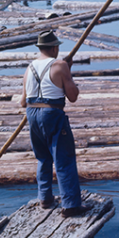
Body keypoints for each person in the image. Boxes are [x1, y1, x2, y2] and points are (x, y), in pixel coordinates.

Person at [20, 30, 89, 217]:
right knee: (64, 159)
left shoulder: (29, 68)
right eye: (57, 47)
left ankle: (45, 198)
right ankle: (71, 205)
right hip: (52, 113)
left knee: (43, 157)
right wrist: (68, 74)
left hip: (32, 114)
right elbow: (72, 96)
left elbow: (23, 101)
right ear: (53, 48)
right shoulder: (60, 65)